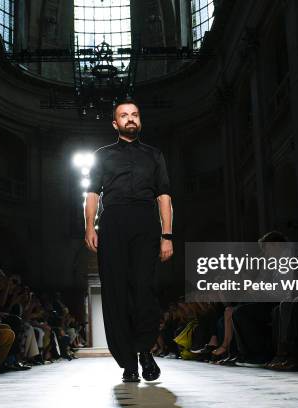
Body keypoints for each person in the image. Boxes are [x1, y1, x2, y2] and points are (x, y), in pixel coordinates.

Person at [84, 99, 173, 383]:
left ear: (140, 120)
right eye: (124, 115)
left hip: (146, 224)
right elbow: (92, 195)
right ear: (115, 123)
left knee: (144, 291)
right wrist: (89, 227)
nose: (130, 119)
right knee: (116, 293)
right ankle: (128, 363)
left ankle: (145, 350)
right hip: (112, 223)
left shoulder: (154, 155)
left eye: (135, 114)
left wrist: (167, 234)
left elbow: (164, 197)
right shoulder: (102, 155)